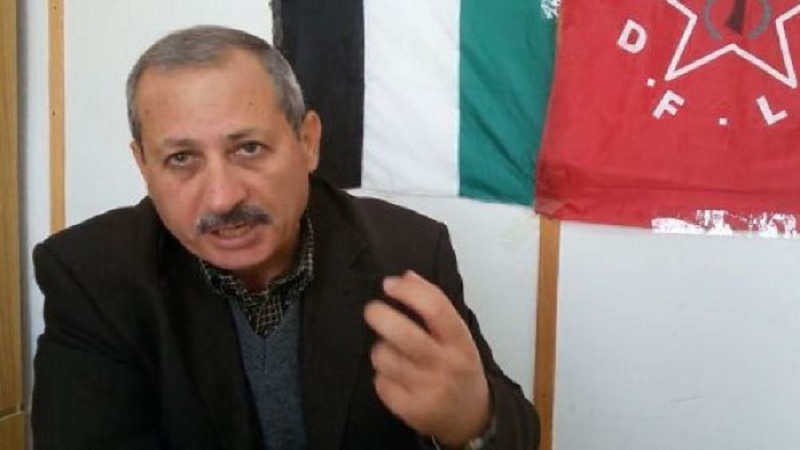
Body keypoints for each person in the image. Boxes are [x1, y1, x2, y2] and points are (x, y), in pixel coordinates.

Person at [32, 25, 538, 450]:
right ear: (144, 165)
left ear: (307, 142)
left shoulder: (407, 250)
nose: (222, 198)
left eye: (249, 148)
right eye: (181, 159)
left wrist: (474, 423)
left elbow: (516, 432)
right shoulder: (92, 276)